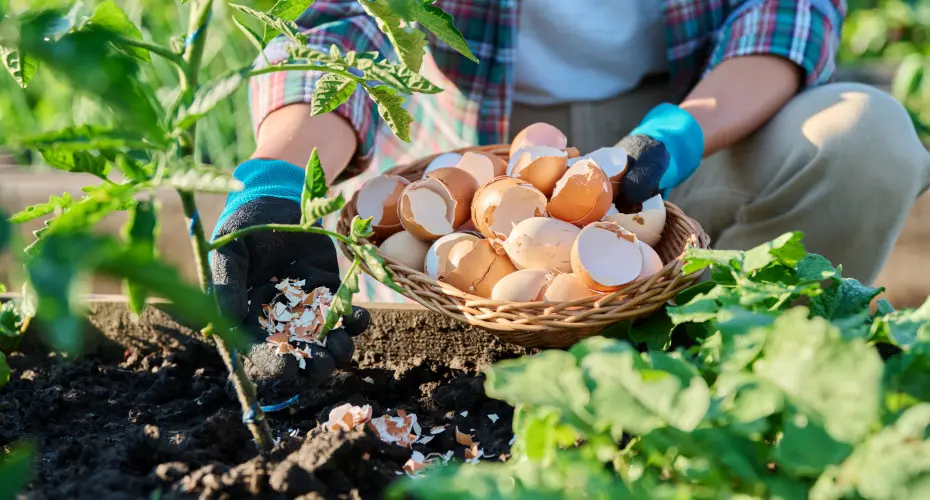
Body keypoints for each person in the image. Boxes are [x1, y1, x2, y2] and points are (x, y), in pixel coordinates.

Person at [209, 0, 930, 382]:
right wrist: (279, 175)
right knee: (462, 313)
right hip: (470, 157)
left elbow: (787, 9)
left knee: (866, 139)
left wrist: (676, 135)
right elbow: (345, 25)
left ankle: (740, 382)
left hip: (692, 121)